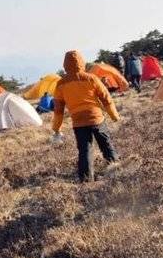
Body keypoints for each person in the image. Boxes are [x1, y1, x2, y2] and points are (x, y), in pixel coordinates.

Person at [51, 50, 121, 182]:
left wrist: (56, 128)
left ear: (65, 65)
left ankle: (86, 179)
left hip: (79, 122)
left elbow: (58, 110)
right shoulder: (91, 78)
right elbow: (106, 98)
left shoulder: (61, 84)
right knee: (105, 144)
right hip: (96, 118)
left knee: (85, 150)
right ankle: (116, 169)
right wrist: (114, 115)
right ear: (82, 62)